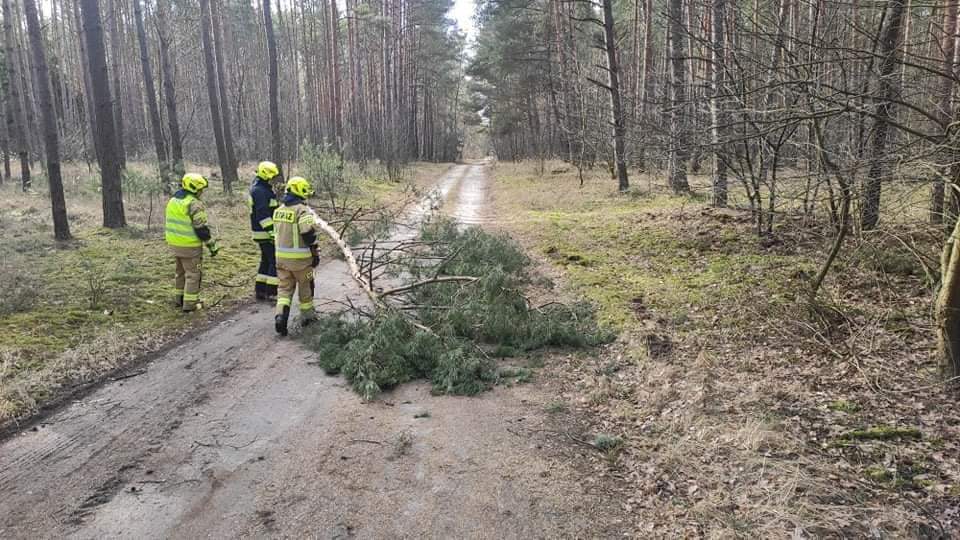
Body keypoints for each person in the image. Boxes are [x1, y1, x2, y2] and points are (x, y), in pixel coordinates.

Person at [165, 173, 220, 312]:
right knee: (193, 275)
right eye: (201, 189)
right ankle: (190, 305)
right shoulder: (194, 203)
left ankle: (179, 299)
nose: (202, 192)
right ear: (195, 188)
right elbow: (201, 229)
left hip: (174, 244)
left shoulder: (174, 200)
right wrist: (212, 246)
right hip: (189, 246)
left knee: (180, 273)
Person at [273, 176, 320, 336]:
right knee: (306, 287)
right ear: (300, 191)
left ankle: (280, 316)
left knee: (284, 289)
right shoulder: (302, 210)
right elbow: (308, 234)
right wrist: (314, 251)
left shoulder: (278, 211)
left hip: (281, 260)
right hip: (301, 261)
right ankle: (308, 319)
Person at [248, 161, 281, 300]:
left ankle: (260, 291)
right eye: (272, 176)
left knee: (266, 261)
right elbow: (263, 214)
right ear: (266, 175)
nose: (273, 179)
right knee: (274, 261)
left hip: (261, 232)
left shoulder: (261, 188)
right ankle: (271, 292)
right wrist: (272, 232)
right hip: (265, 232)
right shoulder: (260, 191)